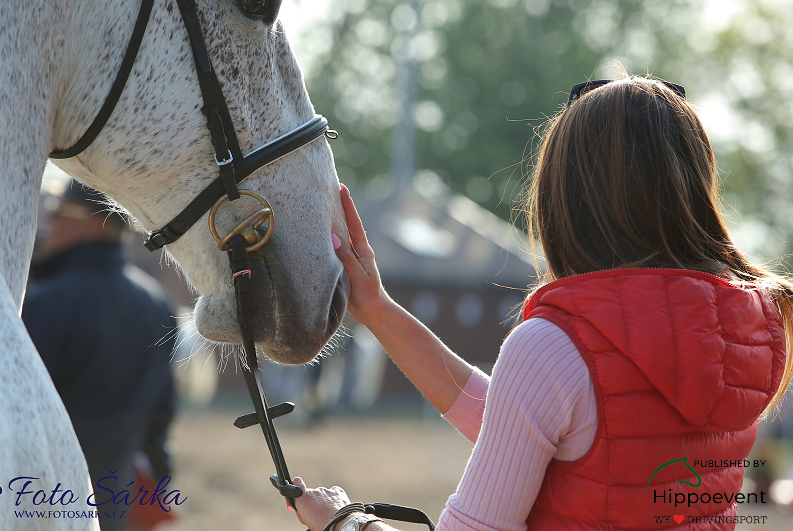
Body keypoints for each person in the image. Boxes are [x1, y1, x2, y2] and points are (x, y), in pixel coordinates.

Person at [292, 75, 793, 531]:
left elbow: (547, 406)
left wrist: (344, 524)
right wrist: (377, 309)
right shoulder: (746, 332)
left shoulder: (555, 347)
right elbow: (556, 428)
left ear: (568, 196)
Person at [23, 180, 177, 531]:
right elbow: (161, 416)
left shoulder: (44, 303)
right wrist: (160, 486)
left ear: (94, 224)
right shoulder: (157, 303)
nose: (47, 219)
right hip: (114, 501)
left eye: (58, 211)